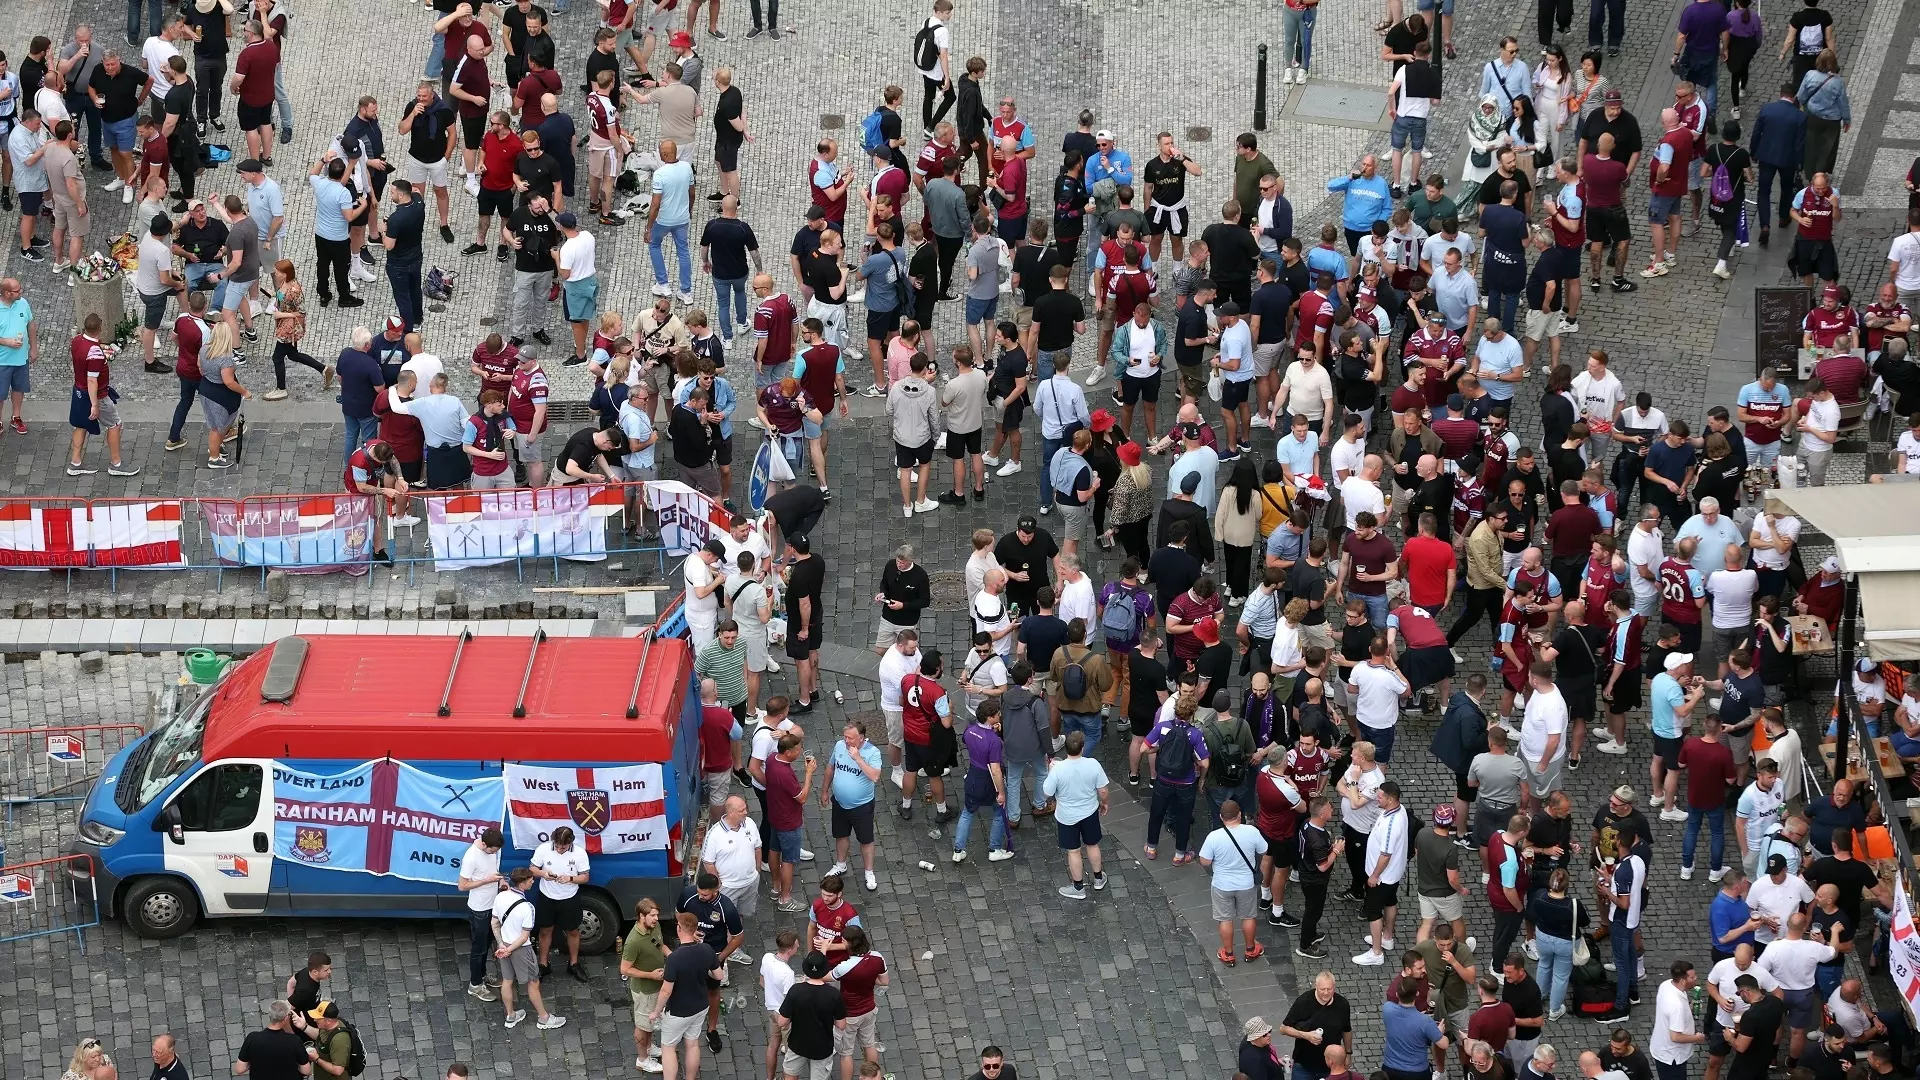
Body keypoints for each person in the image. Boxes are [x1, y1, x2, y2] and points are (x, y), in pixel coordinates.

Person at [493, 867, 566, 1030]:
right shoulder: (527, 908)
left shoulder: (500, 897)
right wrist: (510, 949)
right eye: (530, 880)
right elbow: (524, 937)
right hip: (520, 950)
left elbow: (494, 923)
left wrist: (501, 945)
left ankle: (510, 1016)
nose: (533, 881)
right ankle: (544, 1018)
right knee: (533, 982)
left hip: (504, 944)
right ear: (523, 883)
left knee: (507, 981)